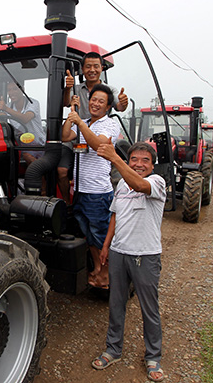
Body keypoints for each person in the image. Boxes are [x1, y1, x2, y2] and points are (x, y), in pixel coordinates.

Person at [92, 141, 166, 382]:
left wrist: (115, 158)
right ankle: (113, 349)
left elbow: (139, 184)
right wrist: (105, 246)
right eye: (134, 159)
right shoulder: (122, 183)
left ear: (153, 165)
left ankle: (153, 356)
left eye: (145, 160)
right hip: (119, 253)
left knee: (149, 308)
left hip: (145, 255)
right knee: (116, 304)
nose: (139, 164)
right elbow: (115, 214)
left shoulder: (156, 183)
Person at [61, 83, 120, 289]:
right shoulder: (84, 121)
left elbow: (99, 146)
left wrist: (81, 124)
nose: (95, 104)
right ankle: (97, 268)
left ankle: (106, 274)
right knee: (88, 233)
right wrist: (72, 113)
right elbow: (65, 136)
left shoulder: (110, 124)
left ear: (107, 107)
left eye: (101, 101)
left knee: (100, 234)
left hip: (97, 192)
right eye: (93, 99)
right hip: (80, 189)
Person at [58, 52, 129, 205]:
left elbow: (120, 106)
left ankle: (114, 205)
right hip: (76, 135)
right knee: (62, 170)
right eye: (88, 66)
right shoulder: (76, 89)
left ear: (101, 68)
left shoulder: (110, 91)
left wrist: (123, 102)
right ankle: (66, 203)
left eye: (96, 66)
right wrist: (67, 89)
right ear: (82, 69)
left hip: (97, 136)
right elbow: (65, 103)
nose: (92, 70)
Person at [0, 81, 45, 165]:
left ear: (22, 90)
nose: (11, 93)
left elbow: (25, 118)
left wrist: (5, 108)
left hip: (39, 145)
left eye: (15, 89)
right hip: (22, 146)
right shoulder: (9, 105)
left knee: (31, 159)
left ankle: (39, 175)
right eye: (9, 90)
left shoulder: (32, 103)